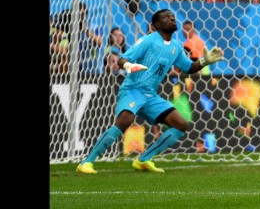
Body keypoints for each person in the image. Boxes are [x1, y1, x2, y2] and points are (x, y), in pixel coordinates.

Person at [76, 9, 224, 174]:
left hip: (151, 95)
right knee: (125, 120)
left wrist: (205, 61)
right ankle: (87, 162)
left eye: (173, 17)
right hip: (132, 90)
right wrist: (128, 66)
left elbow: (189, 67)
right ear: (157, 25)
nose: (172, 19)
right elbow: (122, 58)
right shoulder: (148, 40)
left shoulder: (175, 46)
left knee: (180, 124)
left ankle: (143, 159)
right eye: (167, 17)